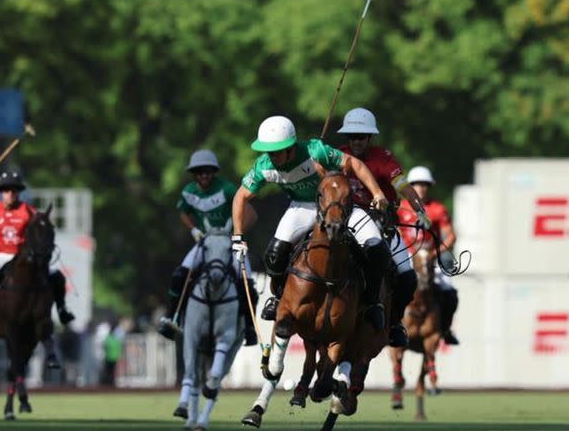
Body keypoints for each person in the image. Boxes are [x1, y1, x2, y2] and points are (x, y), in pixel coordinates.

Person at [231, 115, 401, 342]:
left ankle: (372, 303)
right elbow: (241, 197)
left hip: (337, 206)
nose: (272, 157)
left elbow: (356, 164)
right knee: (274, 254)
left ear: (291, 147)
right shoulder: (264, 166)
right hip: (302, 207)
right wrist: (238, 236)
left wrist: (378, 194)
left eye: (277, 151)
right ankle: (279, 297)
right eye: (269, 152)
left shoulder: (316, 151)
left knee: (377, 248)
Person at [0, 170, 74, 367]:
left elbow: (42, 222)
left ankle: (61, 309)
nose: (12, 193)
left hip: (25, 256)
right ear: (1, 192)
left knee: (57, 276)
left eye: (15, 190)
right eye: (7, 190)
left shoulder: (28, 211)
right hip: (3, 255)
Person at [336, 107, 432, 347]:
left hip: (381, 224)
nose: (355, 142)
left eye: (360, 137)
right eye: (351, 137)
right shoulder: (338, 156)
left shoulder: (384, 159)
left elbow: (404, 186)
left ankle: (395, 321)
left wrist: (420, 210)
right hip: (345, 220)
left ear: (370, 137)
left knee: (408, 278)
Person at [157, 149, 259, 346]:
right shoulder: (188, 192)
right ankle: (172, 318)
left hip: (230, 242)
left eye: (207, 172)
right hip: (205, 243)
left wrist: (236, 233)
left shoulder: (228, 189)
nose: (204, 176)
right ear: (194, 174)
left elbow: (252, 214)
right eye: (199, 172)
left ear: (213, 172)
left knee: (246, 283)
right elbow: (183, 212)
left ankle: (249, 327)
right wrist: (194, 229)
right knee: (180, 275)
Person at [397, 166, 460, 345]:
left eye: (425, 184)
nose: (421, 188)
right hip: (407, 255)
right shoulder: (401, 208)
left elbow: (451, 236)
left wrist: (434, 253)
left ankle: (445, 329)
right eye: (416, 184)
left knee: (450, 291)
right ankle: (389, 326)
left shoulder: (437, 209)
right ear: (411, 186)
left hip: (430, 257)